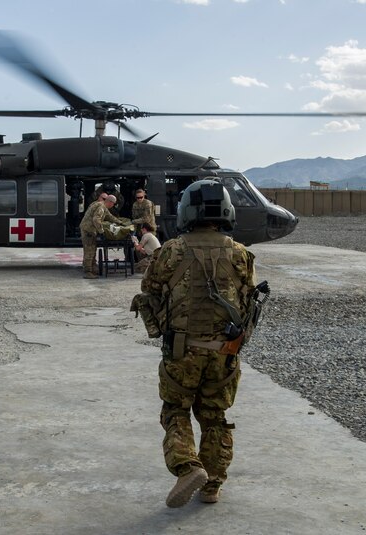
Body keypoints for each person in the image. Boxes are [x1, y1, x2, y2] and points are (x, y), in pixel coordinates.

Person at [138, 180, 256, 508]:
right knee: (215, 415)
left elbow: (150, 289)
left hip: (181, 350)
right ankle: (212, 485)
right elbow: (248, 300)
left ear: (187, 211)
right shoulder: (240, 253)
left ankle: (188, 467)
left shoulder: (171, 250)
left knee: (176, 410)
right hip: (225, 352)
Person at [79, 194, 121, 279]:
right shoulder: (101, 207)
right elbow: (96, 219)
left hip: (89, 229)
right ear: (110, 202)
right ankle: (88, 272)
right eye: (113, 204)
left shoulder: (102, 206)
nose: (113, 206)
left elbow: (110, 217)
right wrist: (101, 231)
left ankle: (92, 268)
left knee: (92, 249)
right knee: (89, 251)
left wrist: (119, 222)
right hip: (88, 230)